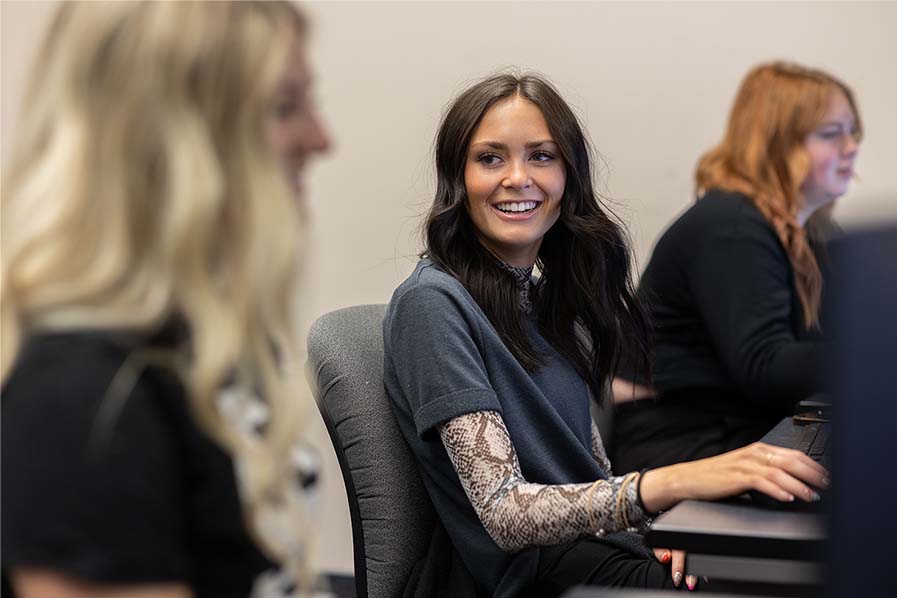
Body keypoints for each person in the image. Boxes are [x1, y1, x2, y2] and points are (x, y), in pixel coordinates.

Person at [382, 72, 829, 598]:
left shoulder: (549, 300)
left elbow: (590, 472)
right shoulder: (431, 303)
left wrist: (663, 530)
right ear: (458, 176)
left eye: (542, 156)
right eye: (491, 158)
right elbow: (504, 512)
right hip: (524, 579)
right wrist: (677, 482)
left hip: (593, 552)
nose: (518, 177)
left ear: (569, 174)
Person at [1, 2, 330, 597]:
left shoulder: (201, 333)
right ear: (171, 140)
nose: (321, 138)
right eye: (285, 108)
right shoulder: (86, 397)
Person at [610, 62, 862, 473]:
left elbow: (841, 331)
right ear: (776, 142)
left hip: (741, 431)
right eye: (832, 133)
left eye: (852, 132)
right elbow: (765, 366)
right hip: (685, 445)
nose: (851, 146)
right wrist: (873, 356)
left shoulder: (810, 229)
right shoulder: (732, 225)